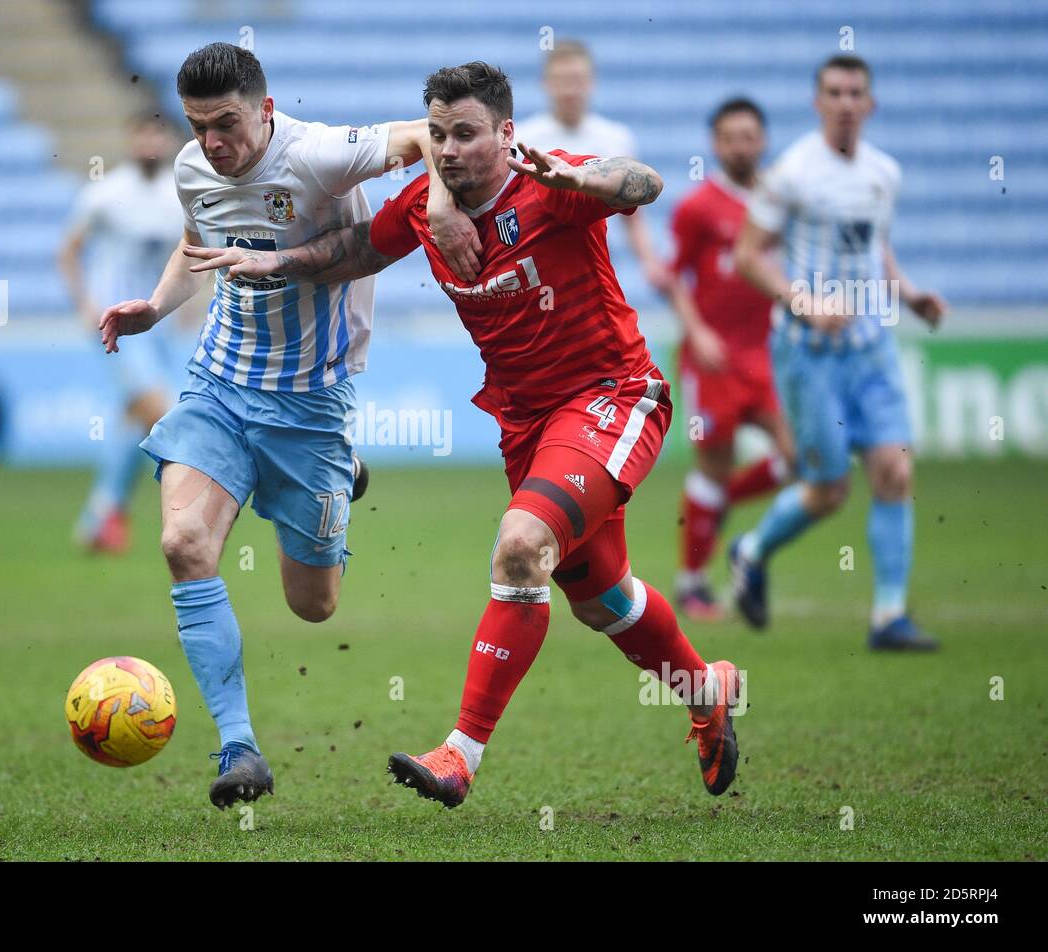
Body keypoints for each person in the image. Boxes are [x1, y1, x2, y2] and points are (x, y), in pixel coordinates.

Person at [186, 62, 742, 807]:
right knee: (602, 598)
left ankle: (460, 752)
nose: (448, 150)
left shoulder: (552, 182)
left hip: (610, 397)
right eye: (439, 134)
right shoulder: (424, 203)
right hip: (528, 423)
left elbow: (640, 182)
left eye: (467, 134)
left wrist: (589, 185)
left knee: (519, 549)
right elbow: (358, 252)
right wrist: (275, 260)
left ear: (507, 134)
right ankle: (707, 689)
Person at [96, 42, 475, 808]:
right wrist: (155, 305)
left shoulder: (317, 156)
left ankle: (344, 474)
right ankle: (240, 749)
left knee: (314, 604)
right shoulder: (192, 168)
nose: (212, 142)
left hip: (310, 408)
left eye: (227, 123)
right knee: (182, 543)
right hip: (220, 389)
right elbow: (193, 242)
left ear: (265, 111)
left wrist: (437, 196)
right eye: (199, 126)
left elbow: (418, 135)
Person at [730, 55, 948, 651]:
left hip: (871, 345)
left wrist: (909, 295)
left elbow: (875, 252)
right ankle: (751, 550)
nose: (847, 102)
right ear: (818, 102)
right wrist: (803, 302)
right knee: (828, 489)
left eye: (856, 92)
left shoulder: (884, 173)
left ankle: (888, 617)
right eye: (835, 92)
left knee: (894, 470)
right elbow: (749, 255)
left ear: (870, 103)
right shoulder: (794, 172)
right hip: (808, 352)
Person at [666, 98, 794, 620]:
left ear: (763, 140)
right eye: (730, 137)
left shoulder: (782, 203)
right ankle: (692, 581)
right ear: (716, 145)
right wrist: (697, 333)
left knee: (801, 460)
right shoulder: (699, 207)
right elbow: (674, 276)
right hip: (713, 360)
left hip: (767, 357)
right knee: (712, 467)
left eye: (749, 135)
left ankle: (717, 514)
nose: (740, 145)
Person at [58, 113, 188, 552]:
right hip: (116, 326)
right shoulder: (106, 193)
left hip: (157, 327)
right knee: (160, 412)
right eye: (143, 133)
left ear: (170, 140)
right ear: (131, 139)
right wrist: (84, 304)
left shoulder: (179, 196)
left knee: (133, 422)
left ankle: (101, 517)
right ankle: (187, 511)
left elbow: (190, 254)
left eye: (159, 132)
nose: (151, 141)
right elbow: (69, 250)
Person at [514, 40, 671, 293]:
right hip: (539, 263)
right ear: (545, 83)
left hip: (597, 261)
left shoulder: (615, 137)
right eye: (560, 80)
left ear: (591, 82)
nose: (569, 89)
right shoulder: (524, 138)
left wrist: (648, 260)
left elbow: (631, 210)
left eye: (576, 79)